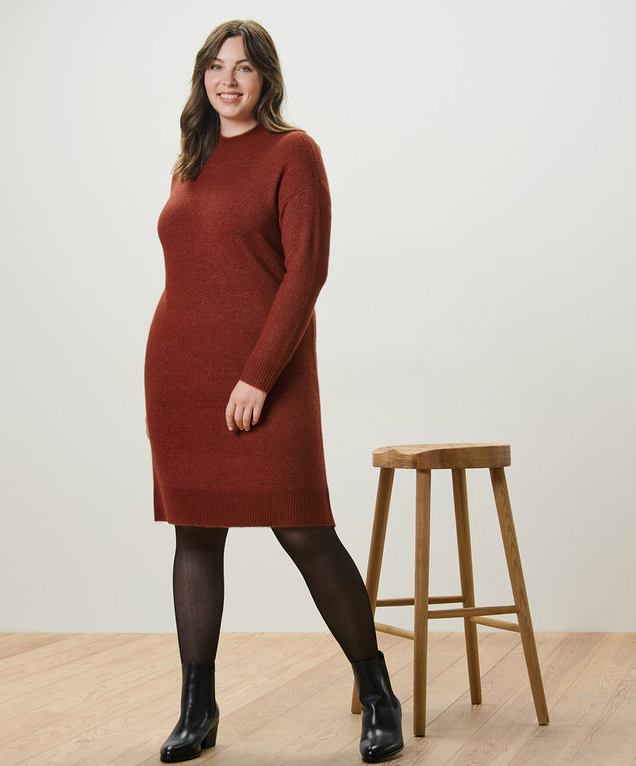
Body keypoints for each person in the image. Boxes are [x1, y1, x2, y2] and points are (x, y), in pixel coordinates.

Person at [144, 19, 405, 764]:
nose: (229, 81)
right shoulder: (189, 162)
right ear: (203, 79)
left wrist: (258, 374)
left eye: (245, 69)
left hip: (267, 376)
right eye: (217, 68)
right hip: (180, 378)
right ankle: (198, 708)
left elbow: (306, 271)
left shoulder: (294, 153)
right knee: (195, 534)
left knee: (304, 530)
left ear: (267, 80)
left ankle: (378, 694)